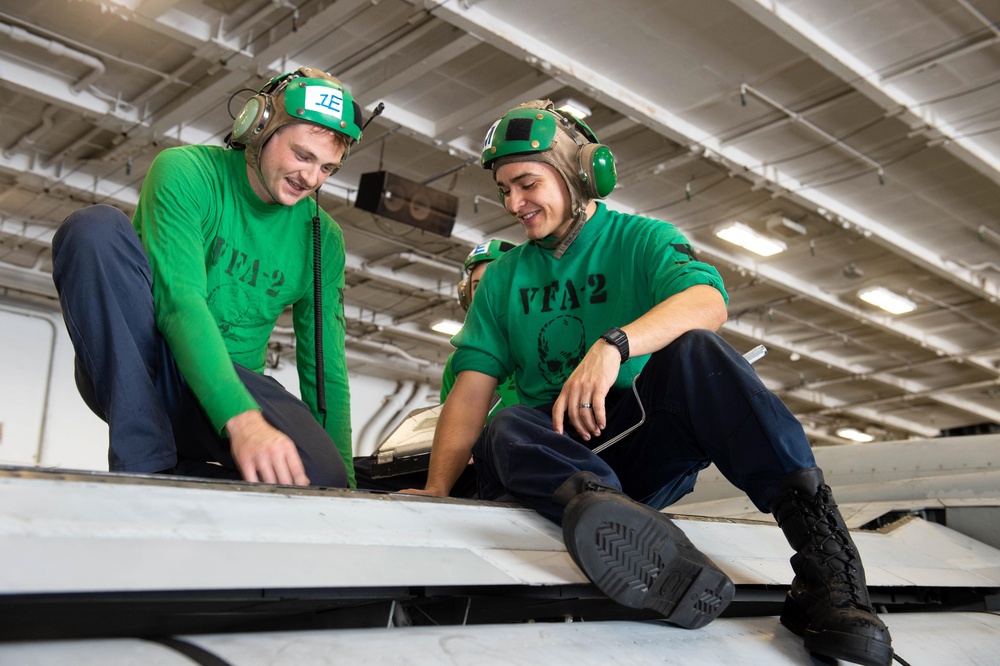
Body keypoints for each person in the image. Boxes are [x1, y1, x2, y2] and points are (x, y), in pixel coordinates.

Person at [407, 100, 893, 666]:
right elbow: (468, 395)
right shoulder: (502, 281)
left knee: (699, 353)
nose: (514, 204)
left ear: (579, 174)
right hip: (549, 463)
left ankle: (829, 577)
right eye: (504, 190)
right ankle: (619, 528)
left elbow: (707, 302)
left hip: (630, 445)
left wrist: (615, 345)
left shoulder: (641, 239)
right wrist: (438, 495)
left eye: (527, 184)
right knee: (506, 424)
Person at [51, 67, 368, 488]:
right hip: (146, 367)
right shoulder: (187, 172)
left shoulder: (322, 238)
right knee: (94, 229)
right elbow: (180, 303)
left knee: (321, 476)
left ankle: (187, 472)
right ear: (258, 127)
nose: (310, 179)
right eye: (302, 155)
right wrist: (242, 420)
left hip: (234, 382)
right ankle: (145, 466)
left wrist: (344, 485)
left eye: (328, 168)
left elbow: (326, 367)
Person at [354, 239, 518, 495]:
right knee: (356, 472)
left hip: (510, 461)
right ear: (467, 295)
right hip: (465, 464)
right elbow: (449, 425)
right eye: (478, 286)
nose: (487, 294)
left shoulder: (533, 347)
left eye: (496, 284)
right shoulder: (458, 362)